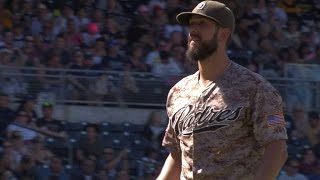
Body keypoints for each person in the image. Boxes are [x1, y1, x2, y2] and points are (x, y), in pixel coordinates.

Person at [157, 1, 288, 180]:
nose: (193, 30)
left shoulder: (256, 88)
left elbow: (277, 149)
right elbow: (177, 154)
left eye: (202, 24)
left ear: (223, 34)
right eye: (192, 24)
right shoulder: (178, 92)